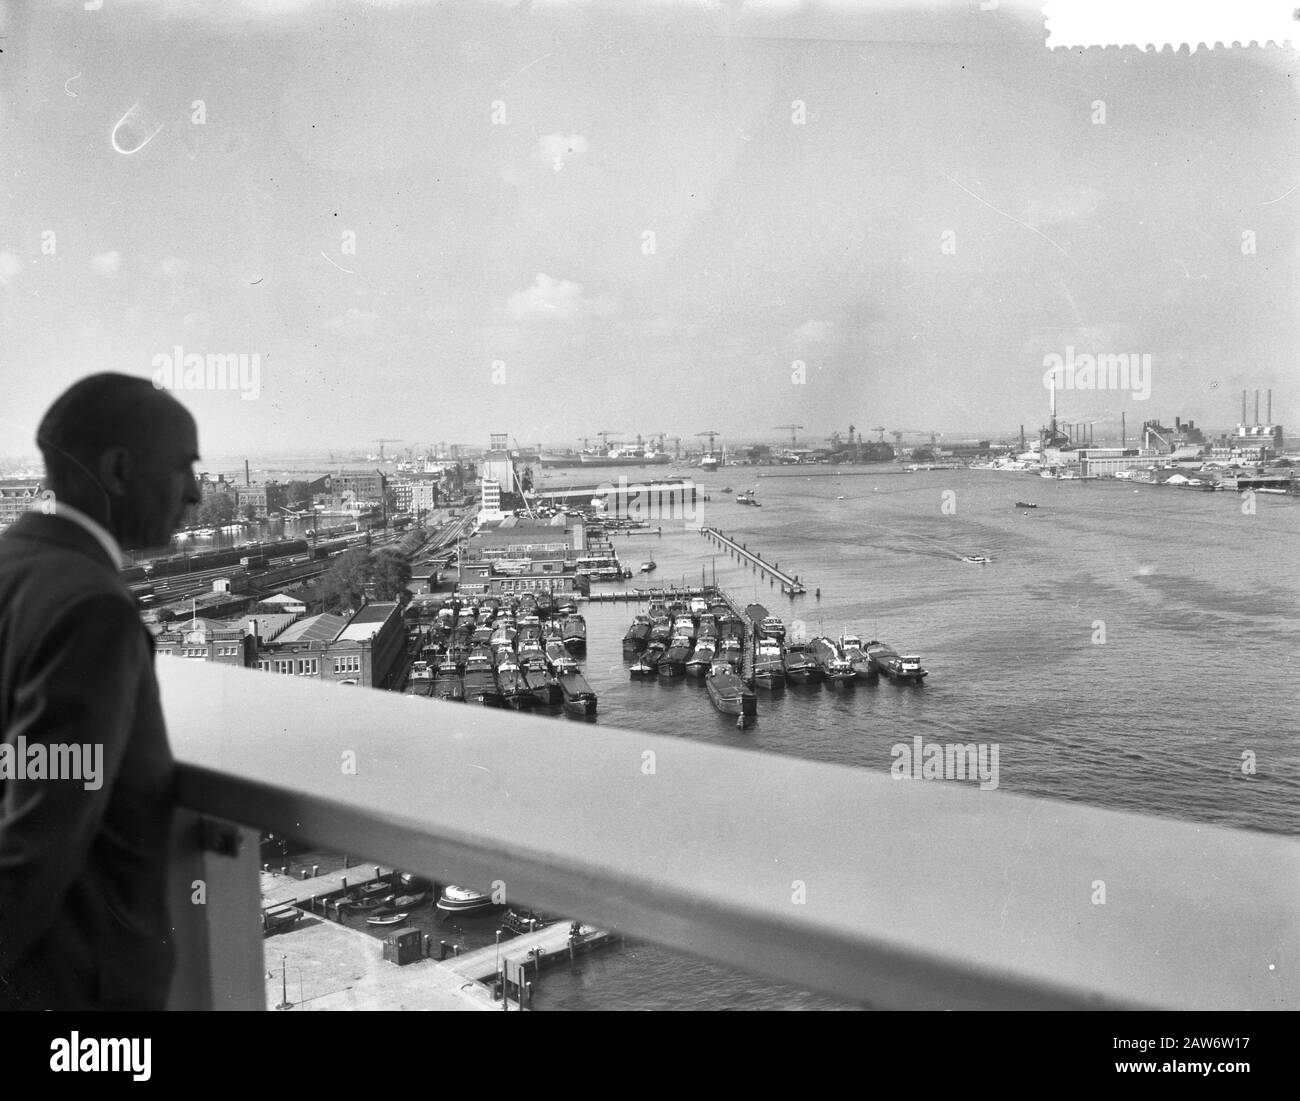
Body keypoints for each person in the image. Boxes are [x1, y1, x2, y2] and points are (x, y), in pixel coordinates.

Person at [0, 374, 200, 1010]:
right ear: (119, 468)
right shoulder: (93, 610)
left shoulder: (12, 566)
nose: (195, 493)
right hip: (79, 992)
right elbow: (42, 833)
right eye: (183, 467)